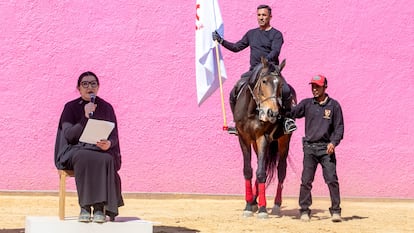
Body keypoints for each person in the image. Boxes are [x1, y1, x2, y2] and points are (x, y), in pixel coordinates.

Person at [212, 4, 296, 135]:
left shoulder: (277, 34)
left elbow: (275, 51)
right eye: (259, 15)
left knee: (285, 89)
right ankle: (237, 122)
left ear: (270, 17)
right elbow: (236, 47)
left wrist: (266, 61)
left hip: (271, 71)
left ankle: (287, 121)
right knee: (235, 90)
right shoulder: (251, 34)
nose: (261, 18)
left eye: (264, 15)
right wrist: (221, 41)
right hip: (254, 71)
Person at [54, 71, 124, 223]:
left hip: (99, 149)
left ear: (98, 87)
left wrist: (109, 144)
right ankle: (85, 207)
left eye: (93, 83)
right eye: (85, 84)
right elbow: (69, 135)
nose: (89, 87)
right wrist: (85, 117)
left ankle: (99, 208)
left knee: (105, 158)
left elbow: (114, 135)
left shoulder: (106, 107)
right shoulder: (70, 107)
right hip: (75, 150)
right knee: (84, 156)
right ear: (79, 88)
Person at [287, 75, 344, 222]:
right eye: (313, 86)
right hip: (310, 149)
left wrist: (333, 142)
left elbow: (339, 128)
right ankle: (304, 210)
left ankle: (336, 211)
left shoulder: (334, 106)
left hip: (326, 149)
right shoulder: (307, 104)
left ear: (325, 87)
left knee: (332, 180)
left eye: (317, 86)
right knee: (306, 181)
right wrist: (283, 103)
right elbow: (292, 113)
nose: (314, 89)